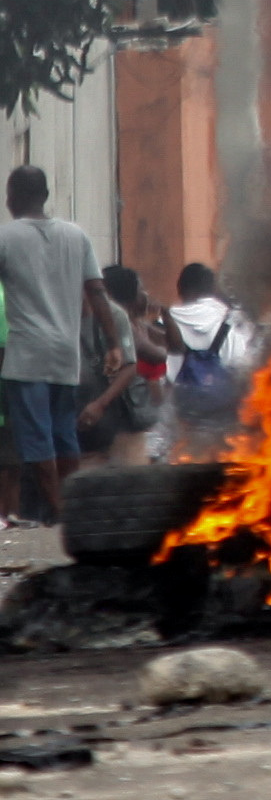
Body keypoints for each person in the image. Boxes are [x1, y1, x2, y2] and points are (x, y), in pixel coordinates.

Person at [1, 166, 120, 530]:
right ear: (47, 195)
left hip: (27, 358)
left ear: (12, 197)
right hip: (66, 357)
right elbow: (97, 291)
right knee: (64, 433)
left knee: (36, 438)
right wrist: (114, 342)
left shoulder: (6, 237)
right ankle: (70, 504)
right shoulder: (77, 235)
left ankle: (59, 509)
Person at [76, 263, 166, 465]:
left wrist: (100, 404)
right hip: (78, 419)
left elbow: (136, 363)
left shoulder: (117, 316)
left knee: (128, 481)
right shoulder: (59, 312)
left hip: (121, 421)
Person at [162, 263, 254, 460]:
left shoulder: (165, 322)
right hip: (224, 421)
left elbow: (160, 374)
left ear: (180, 288)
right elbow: (244, 368)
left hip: (178, 421)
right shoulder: (234, 322)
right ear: (213, 289)